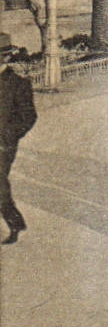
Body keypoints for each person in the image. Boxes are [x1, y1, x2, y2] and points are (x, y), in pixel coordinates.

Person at [1, 44, 37, 244]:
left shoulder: (18, 84)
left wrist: (6, 135)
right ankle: (15, 221)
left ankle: (14, 222)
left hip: (3, 145)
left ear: (6, 58)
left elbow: (28, 116)